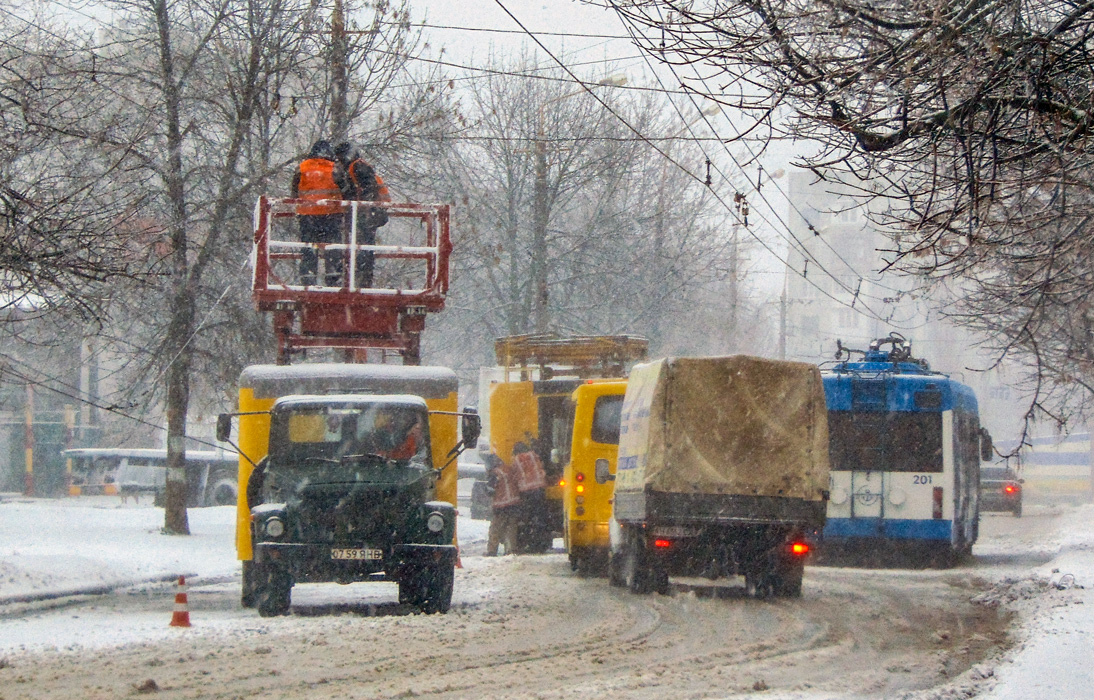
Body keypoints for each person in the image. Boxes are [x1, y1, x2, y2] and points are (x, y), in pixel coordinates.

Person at [334, 142, 390, 289]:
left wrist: (363, 210)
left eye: (340, 157)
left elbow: (367, 189)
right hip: (368, 213)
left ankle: (362, 280)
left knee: (363, 248)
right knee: (363, 248)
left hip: (368, 214)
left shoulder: (358, 166)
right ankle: (361, 280)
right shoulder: (355, 167)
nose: (338, 161)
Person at [291, 140, 348, 286]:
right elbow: (345, 190)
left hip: (307, 215)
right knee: (332, 248)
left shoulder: (302, 167)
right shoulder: (335, 168)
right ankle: (333, 277)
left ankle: (308, 278)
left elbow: (294, 193)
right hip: (331, 216)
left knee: (309, 248)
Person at [512, 439, 549, 552]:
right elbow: (542, 465)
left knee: (527, 517)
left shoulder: (516, 460)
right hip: (538, 488)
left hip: (525, 491)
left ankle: (529, 541)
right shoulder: (534, 455)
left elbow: (515, 475)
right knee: (540, 515)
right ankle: (541, 542)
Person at [485, 453, 521, 556]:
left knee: (495, 529)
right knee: (511, 529)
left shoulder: (494, 474)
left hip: (501, 505)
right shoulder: (508, 469)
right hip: (514, 503)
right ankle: (511, 550)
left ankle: (492, 551)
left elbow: (490, 491)